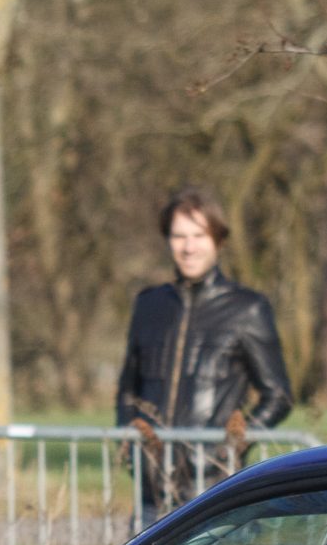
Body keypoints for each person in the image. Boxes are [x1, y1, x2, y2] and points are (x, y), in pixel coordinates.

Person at [114, 186, 294, 520]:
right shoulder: (148, 305)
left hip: (213, 491)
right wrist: (130, 445)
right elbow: (128, 388)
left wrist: (232, 444)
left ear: (219, 240)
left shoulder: (248, 308)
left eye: (199, 235)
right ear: (167, 240)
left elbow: (278, 395)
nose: (188, 247)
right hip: (150, 492)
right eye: (179, 236)